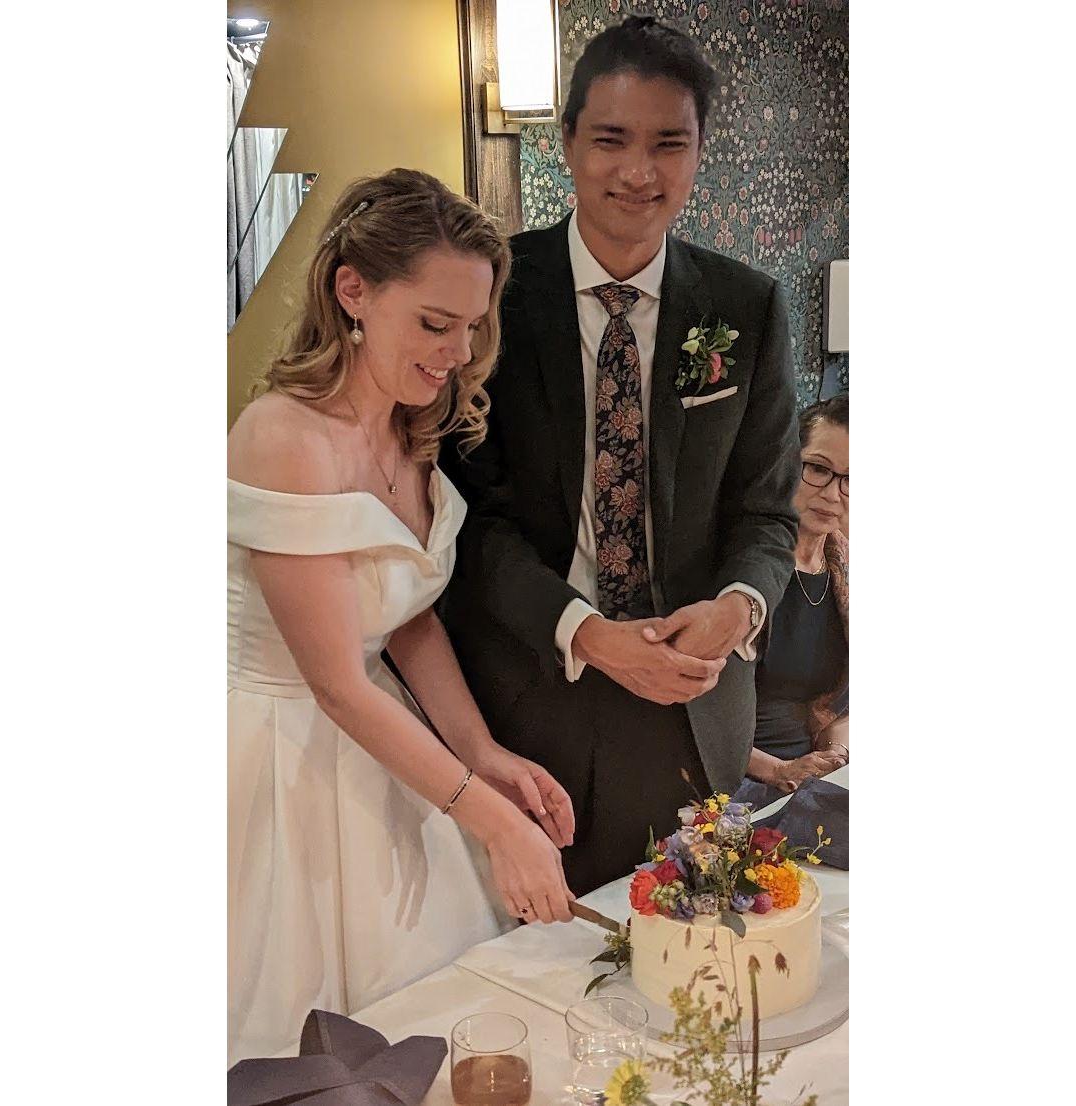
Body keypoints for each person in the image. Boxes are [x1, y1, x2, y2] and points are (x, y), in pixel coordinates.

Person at [441, 17, 800, 895]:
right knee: (539, 965)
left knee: (691, 955)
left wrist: (739, 606)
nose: (639, 173)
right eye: (611, 140)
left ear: (699, 151)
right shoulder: (491, 296)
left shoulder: (745, 305)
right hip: (532, 696)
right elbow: (469, 524)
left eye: (668, 144)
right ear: (566, 142)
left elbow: (768, 511)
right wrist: (586, 633)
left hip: (694, 703)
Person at [227, 169, 576, 1065]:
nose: (458, 353)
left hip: (384, 738)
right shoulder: (283, 437)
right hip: (282, 753)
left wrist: (483, 754)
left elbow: (410, 618)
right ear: (353, 290)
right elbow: (340, 683)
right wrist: (494, 824)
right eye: (434, 324)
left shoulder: (410, 429)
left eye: (471, 327)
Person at [745, 395, 849, 794]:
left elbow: (842, 704)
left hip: (807, 777)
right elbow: (692, 716)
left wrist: (836, 755)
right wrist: (778, 771)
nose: (832, 493)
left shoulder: (847, 573)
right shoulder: (743, 571)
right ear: (785, 462)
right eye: (818, 469)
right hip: (732, 779)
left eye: (850, 480)